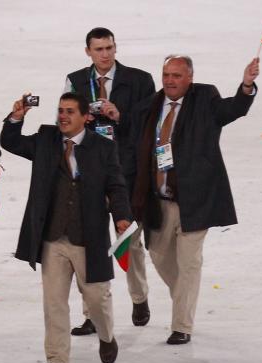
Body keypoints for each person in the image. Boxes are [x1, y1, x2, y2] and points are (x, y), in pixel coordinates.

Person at [0, 92, 132, 363]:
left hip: (89, 237)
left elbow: (116, 185)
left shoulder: (103, 147)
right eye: (60, 110)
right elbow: (10, 142)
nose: (63, 116)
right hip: (52, 237)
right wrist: (16, 118)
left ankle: (107, 336)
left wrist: (121, 216)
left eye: (70, 111)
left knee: (97, 298)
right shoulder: (46, 139)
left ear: (86, 116)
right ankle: (57, 360)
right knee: (54, 302)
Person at [129, 55, 259, 345]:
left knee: (189, 264)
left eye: (176, 75)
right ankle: (185, 299)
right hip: (158, 201)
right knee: (160, 257)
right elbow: (131, 131)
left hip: (194, 200)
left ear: (190, 77)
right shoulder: (151, 105)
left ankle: (181, 325)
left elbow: (233, 109)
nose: (170, 81)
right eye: (166, 74)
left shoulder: (204, 98)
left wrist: (247, 86)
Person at [63, 27, 156, 335]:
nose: (105, 54)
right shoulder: (76, 81)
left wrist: (120, 115)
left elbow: (149, 123)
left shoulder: (140, 80)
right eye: (99, 49)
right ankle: (92, 314)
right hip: (87, 173)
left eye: (109, 48)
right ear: (88, 51)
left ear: (116, 48)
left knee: (129, 238)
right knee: (88, 244)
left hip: (125, 172)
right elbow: (64, 120)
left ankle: (139, 296)